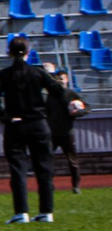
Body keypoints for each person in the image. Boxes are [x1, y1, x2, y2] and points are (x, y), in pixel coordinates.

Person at [0, 37, 65, 224]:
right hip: (38, 123)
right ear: (28, 52)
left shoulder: (5, 74)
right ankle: (46, 211)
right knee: (44, 169)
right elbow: (58, 91)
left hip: (16, 125)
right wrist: (51, 74)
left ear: (10, 52)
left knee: (18, 170)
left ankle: (21, 212)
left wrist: (5, 117)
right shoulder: (37, 73)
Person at [42, 62, 87, 193]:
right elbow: (46, 111)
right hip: (53, 133)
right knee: (47, 159)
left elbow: (86, 107)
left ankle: (76, 186)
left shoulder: (71, 95)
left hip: (67, 132)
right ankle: (49, 185)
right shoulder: (51, 96)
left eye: (62, 79)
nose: (60, 81)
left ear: (67, 80)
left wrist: (78, 112)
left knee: (72, 161)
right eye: (58, 79)